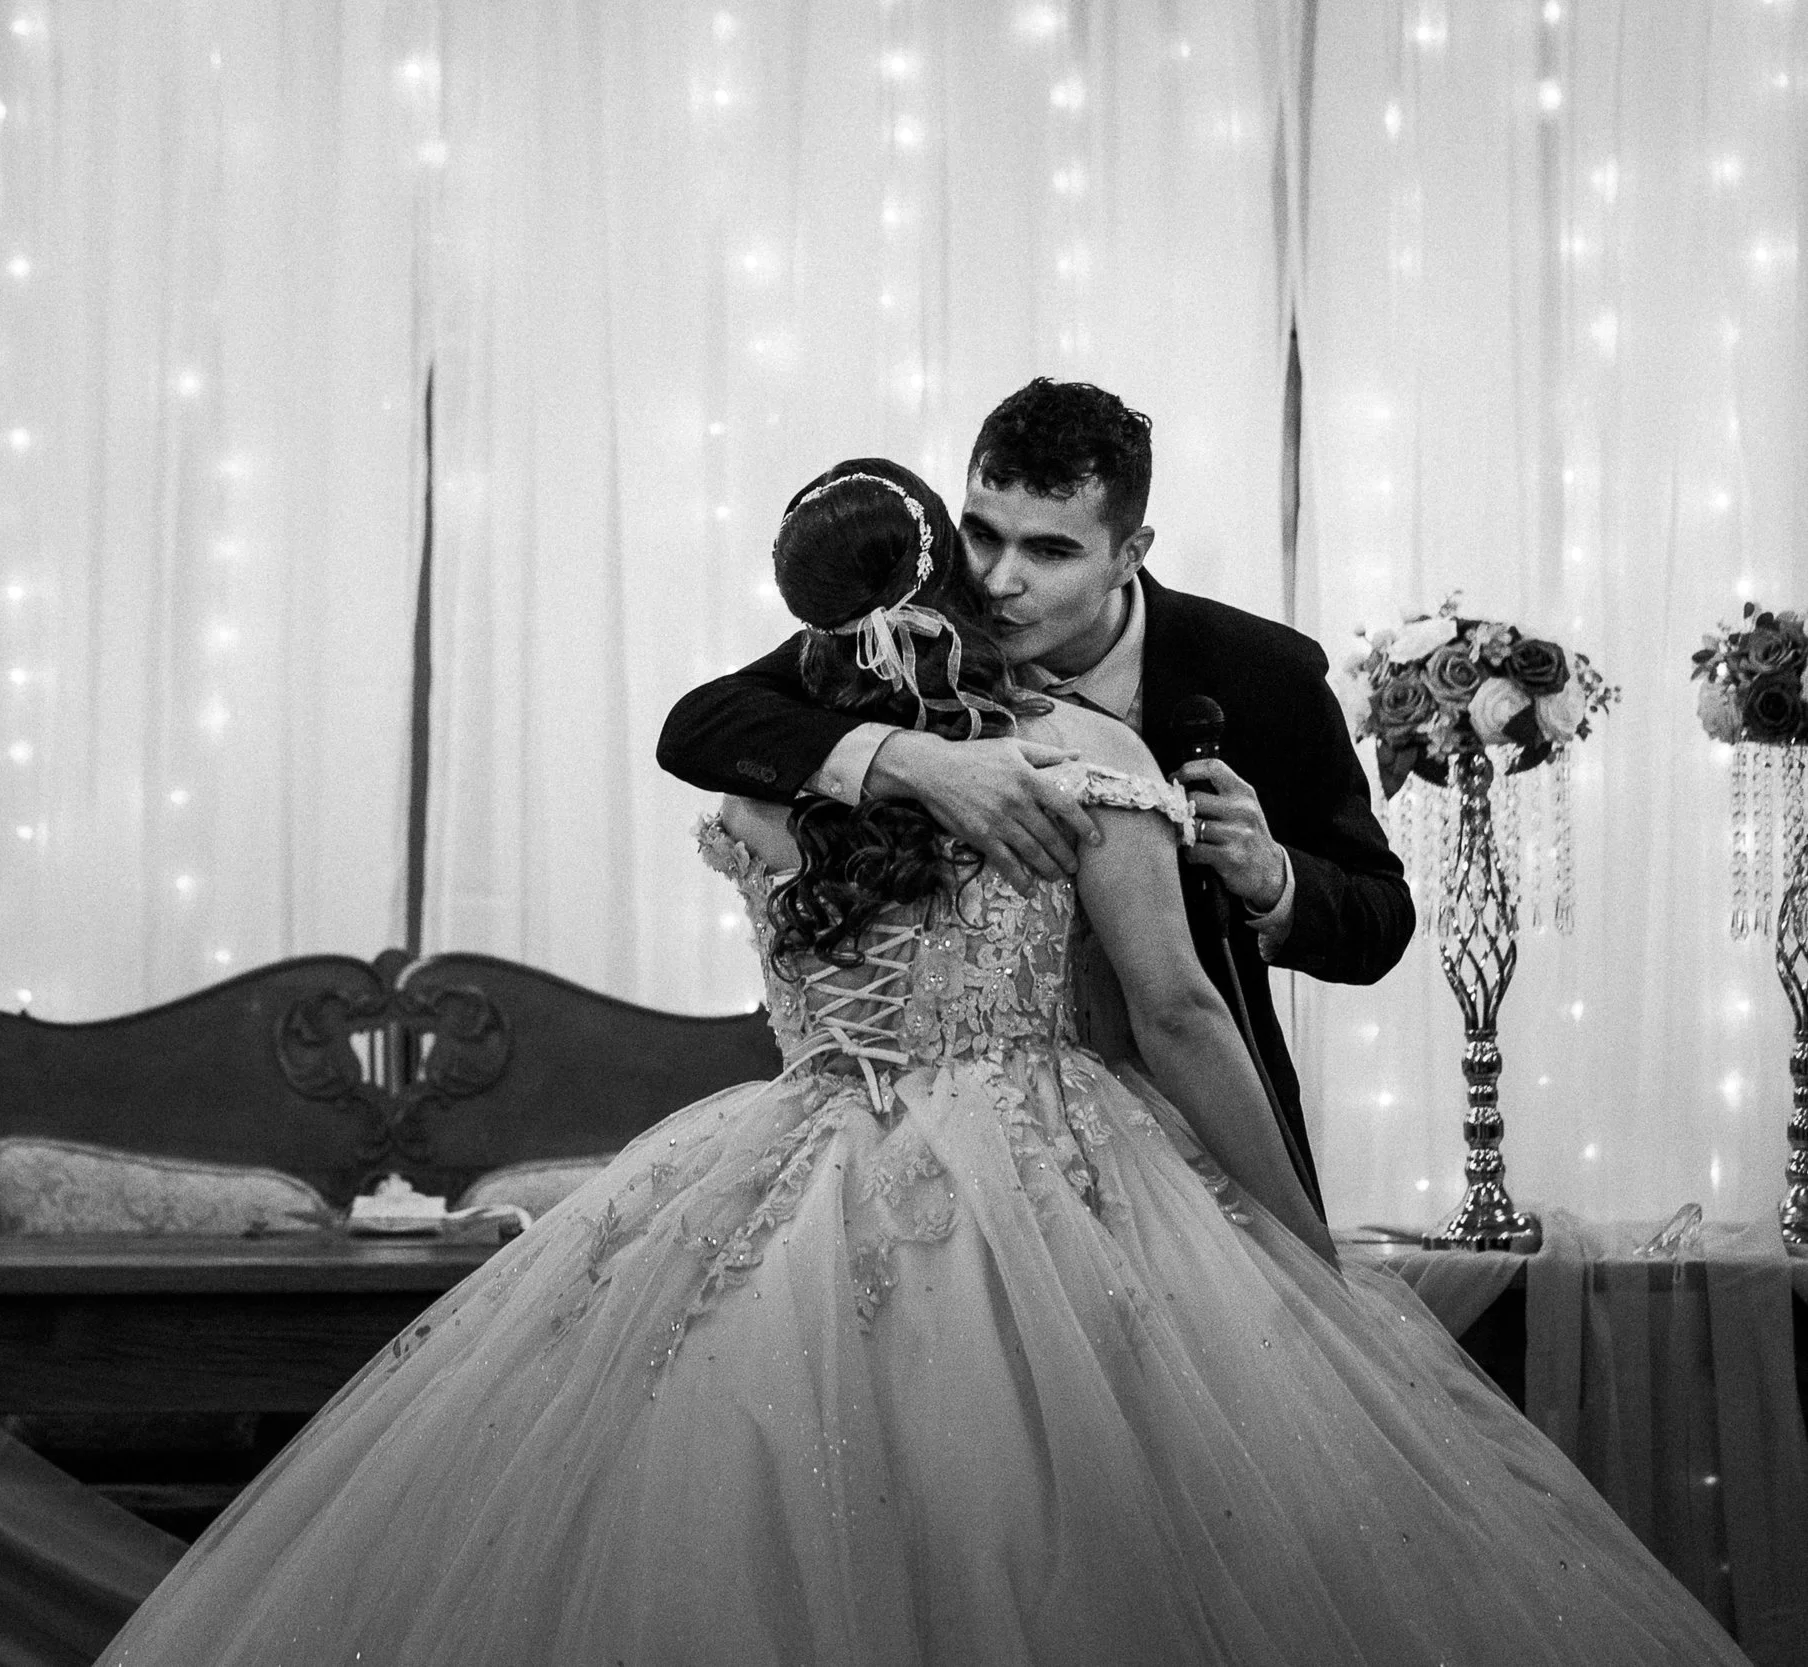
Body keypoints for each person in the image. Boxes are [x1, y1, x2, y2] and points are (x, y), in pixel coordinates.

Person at [92, 459, 1744, 1666]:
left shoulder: (759, 792)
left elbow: (760, 813)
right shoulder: (1088, 761)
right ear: (949, 574)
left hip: (785, 1171)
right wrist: (1299, 1259)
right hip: (1056, 1168)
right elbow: (1176, 1015)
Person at [657, 379, 1413, 1211]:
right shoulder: (904, 636)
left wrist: (1273, 878)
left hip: (1194, 1147)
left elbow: (1381, 919)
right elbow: (702, 725)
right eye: (982, 535)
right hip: (942, 1160)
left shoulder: (1264, 673)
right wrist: (915, 761)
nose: (999, 581)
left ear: (1131, 552)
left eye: (1050, 552)